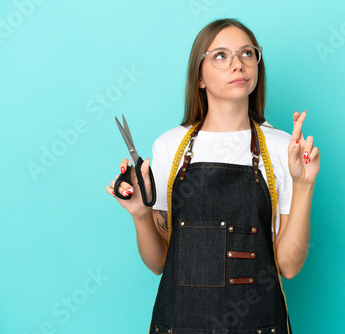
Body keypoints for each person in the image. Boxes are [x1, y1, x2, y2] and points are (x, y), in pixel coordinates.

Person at [106, 18, 320, 334]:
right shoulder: (170, 146)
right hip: (180, 324)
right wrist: (140, 214)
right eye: (221, 55)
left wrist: (304, 184)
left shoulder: (281, 147)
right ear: (200, 77)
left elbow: (289, 266)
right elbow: (159, 263)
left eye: (248, 54)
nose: (238, 64)